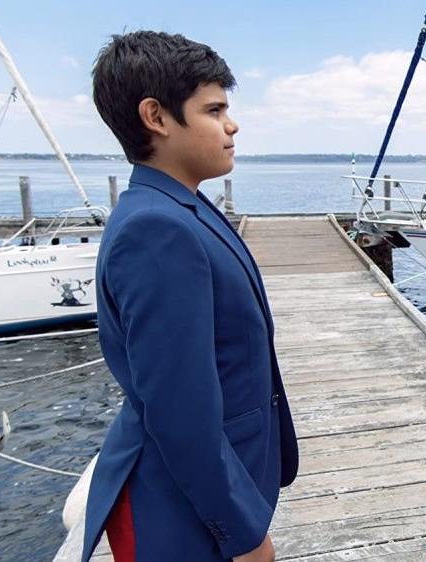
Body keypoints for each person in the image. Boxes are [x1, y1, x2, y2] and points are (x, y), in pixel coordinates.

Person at [80, 31, 298, 562]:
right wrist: (240, 531)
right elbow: (180, 409)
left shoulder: (183, 207)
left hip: (222, 481)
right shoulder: (156, 229)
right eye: (214, 109)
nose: (232, 124)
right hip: (180, 512)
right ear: (156, 117)